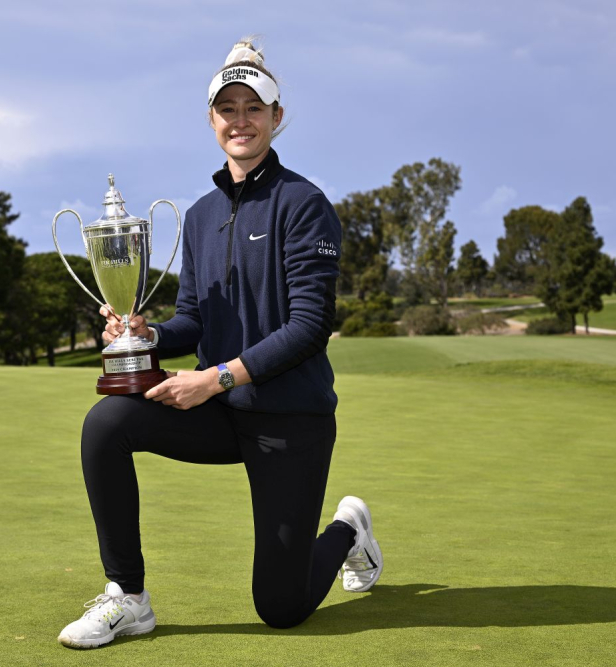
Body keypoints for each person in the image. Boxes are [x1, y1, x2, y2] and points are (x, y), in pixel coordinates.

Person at [58, 38, 383, 650]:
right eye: (227, 108)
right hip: (222, 415)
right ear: (211, 121)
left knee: (281, 608)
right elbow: (193, 322)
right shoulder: (201, 215)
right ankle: (128, 598)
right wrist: (147, 334)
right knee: (107, 424)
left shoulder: (304, 205)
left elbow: (310, 326)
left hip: (291, 419)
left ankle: (348, 529)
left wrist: (215, 377)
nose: (240, 120)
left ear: (276, 118)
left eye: (253, 108)